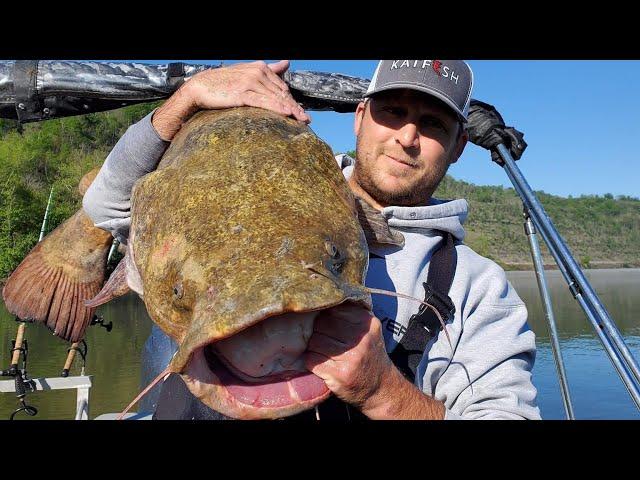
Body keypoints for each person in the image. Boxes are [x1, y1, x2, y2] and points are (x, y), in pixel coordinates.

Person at [83, 59, 541, 420]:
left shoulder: (476, 285)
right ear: (360, 117)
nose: (407, 137)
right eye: (393, 112)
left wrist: (386, 394)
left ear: (459, 145)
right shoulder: (251, 186)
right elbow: (106, 210)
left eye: (433, 124)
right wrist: (184, 102)